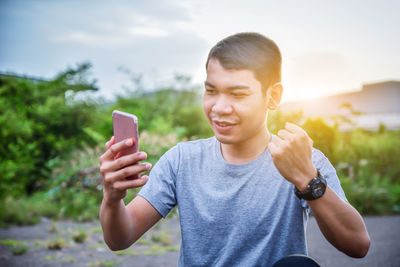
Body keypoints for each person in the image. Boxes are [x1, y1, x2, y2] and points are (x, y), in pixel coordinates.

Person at [99, 32, 370, 266]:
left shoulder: (302, 159)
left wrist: (307, 180)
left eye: (238, 94)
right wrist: (112, 199)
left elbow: (357, 245)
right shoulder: (182, 160)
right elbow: (120, 238)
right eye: (211, 91)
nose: (219, 108)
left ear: (273, 96)